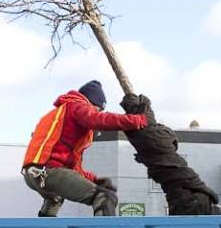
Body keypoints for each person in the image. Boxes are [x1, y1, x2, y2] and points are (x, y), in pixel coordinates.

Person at [23, 80, 147, 217]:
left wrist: (94, 179)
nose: (98, 112)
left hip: (33, 175)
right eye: (99, 109)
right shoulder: (77, 106)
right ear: (92, 103)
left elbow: (72, 169)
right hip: (50, 173)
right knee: (105, 198)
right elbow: (98, 119)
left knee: (54, 200)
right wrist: (137, 120)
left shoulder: (58, 115)